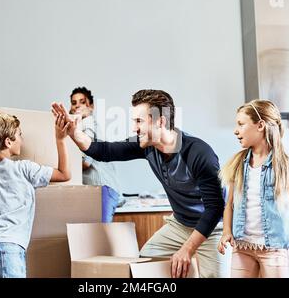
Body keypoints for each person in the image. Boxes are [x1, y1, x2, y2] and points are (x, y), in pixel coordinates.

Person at [52, 89, 231, 278]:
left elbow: (215, 208)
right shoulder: (147, 146)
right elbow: (104, 151)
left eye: (139, 121)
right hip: (180, 224)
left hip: (212, 229)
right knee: (144, 265)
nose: (134, 128)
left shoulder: (199, 153)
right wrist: (73, 133)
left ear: (160, 121)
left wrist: (187, 249)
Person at [217, 99, 289, 278]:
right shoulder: (237, 164)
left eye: (241, 124)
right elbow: (229, 205)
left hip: (274, 250)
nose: (235, 131)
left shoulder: (284, 166)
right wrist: (226, 232)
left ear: (260, 125)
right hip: (242, 247)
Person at [0, 111, 71, 278]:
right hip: (10, 248)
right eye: (20, 135)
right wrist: (60, 139)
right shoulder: (24, 169)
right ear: (8, 142)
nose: (22, 140)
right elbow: (64, 174)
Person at [69, 86, 122, 222]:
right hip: (100, 190)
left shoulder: (88, 124)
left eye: (82, 102)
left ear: (91, 106)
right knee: (95, 235)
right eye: (74, 103)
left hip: (101, 190)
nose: (77, 106)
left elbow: (85, 162)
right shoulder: (80, 127)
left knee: (98, 234)